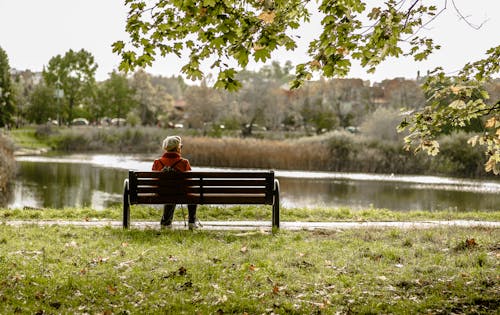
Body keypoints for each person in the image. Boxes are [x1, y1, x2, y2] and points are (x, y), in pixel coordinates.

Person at [152, 135, 198, 230]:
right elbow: (190, 183)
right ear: (178, 148)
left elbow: (153, 182)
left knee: (169, 193)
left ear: (166, 148)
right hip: (180, 193)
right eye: (180, 146)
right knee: (192, 194)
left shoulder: (157, 162)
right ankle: (192, 222)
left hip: (162, 193)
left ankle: (166, 222)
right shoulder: (184, 162)